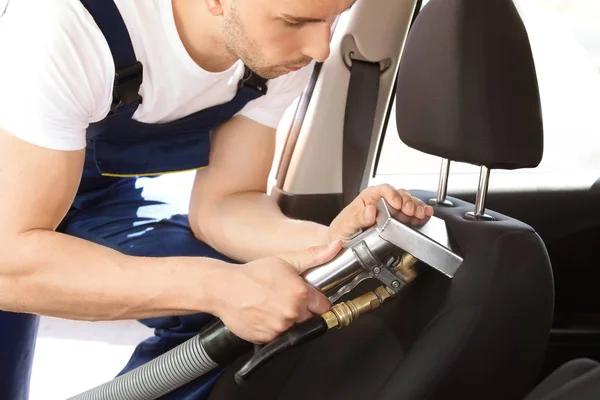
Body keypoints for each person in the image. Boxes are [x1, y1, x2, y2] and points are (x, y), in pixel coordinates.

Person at [0, 0, 434, 398]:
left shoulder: (270, 54)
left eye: (333, 16)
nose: (321, 48)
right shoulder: (68, 26)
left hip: (97, 192)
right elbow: (10, 263)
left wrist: (329, 245)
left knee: (253, 307)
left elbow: (226, 203)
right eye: (296, 21)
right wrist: (214, 287)